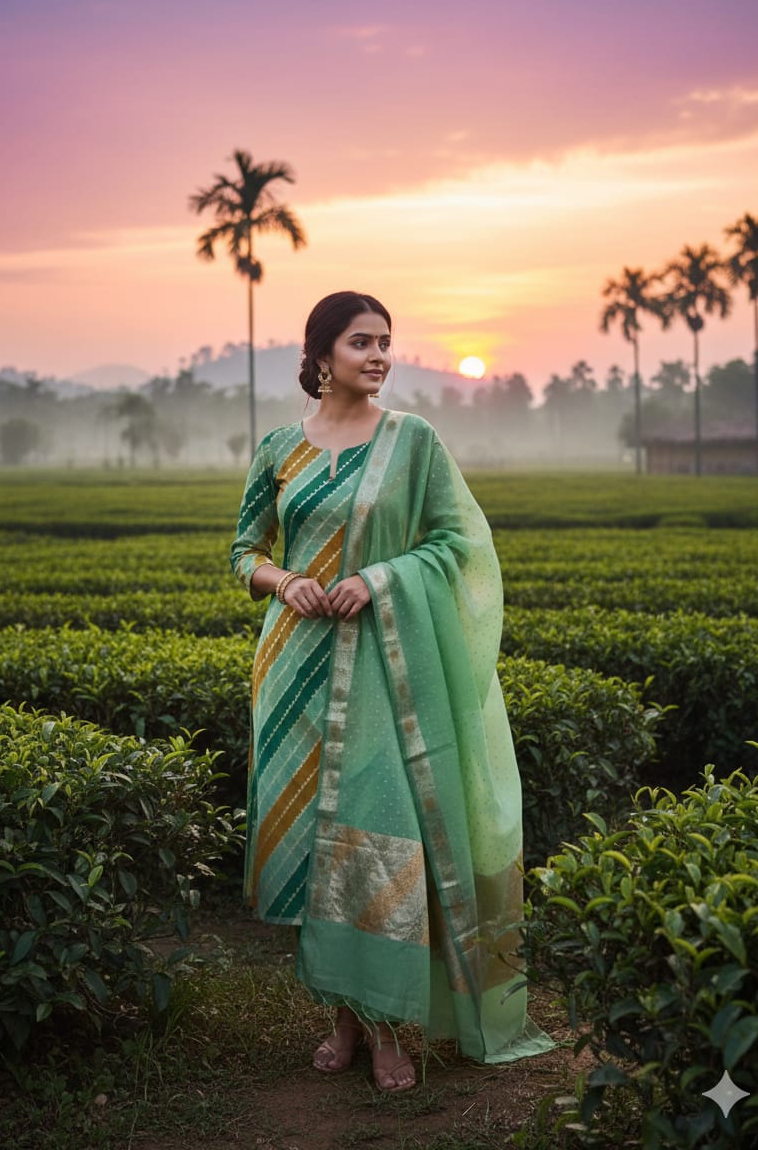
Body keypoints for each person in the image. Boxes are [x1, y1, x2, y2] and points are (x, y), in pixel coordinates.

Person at [230, 291, 553, 1092]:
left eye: (385, 343)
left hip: (383, 671)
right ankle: (343, 1018)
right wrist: (282, 583)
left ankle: (384, 1032)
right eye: (360, 342)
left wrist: (380, 578)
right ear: (321, 354)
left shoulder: (413, 442)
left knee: (374, 840)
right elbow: (244, 549)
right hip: (292, 671)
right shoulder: (279, 448)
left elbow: (460, 542)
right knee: (316, 847)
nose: (378, 356)